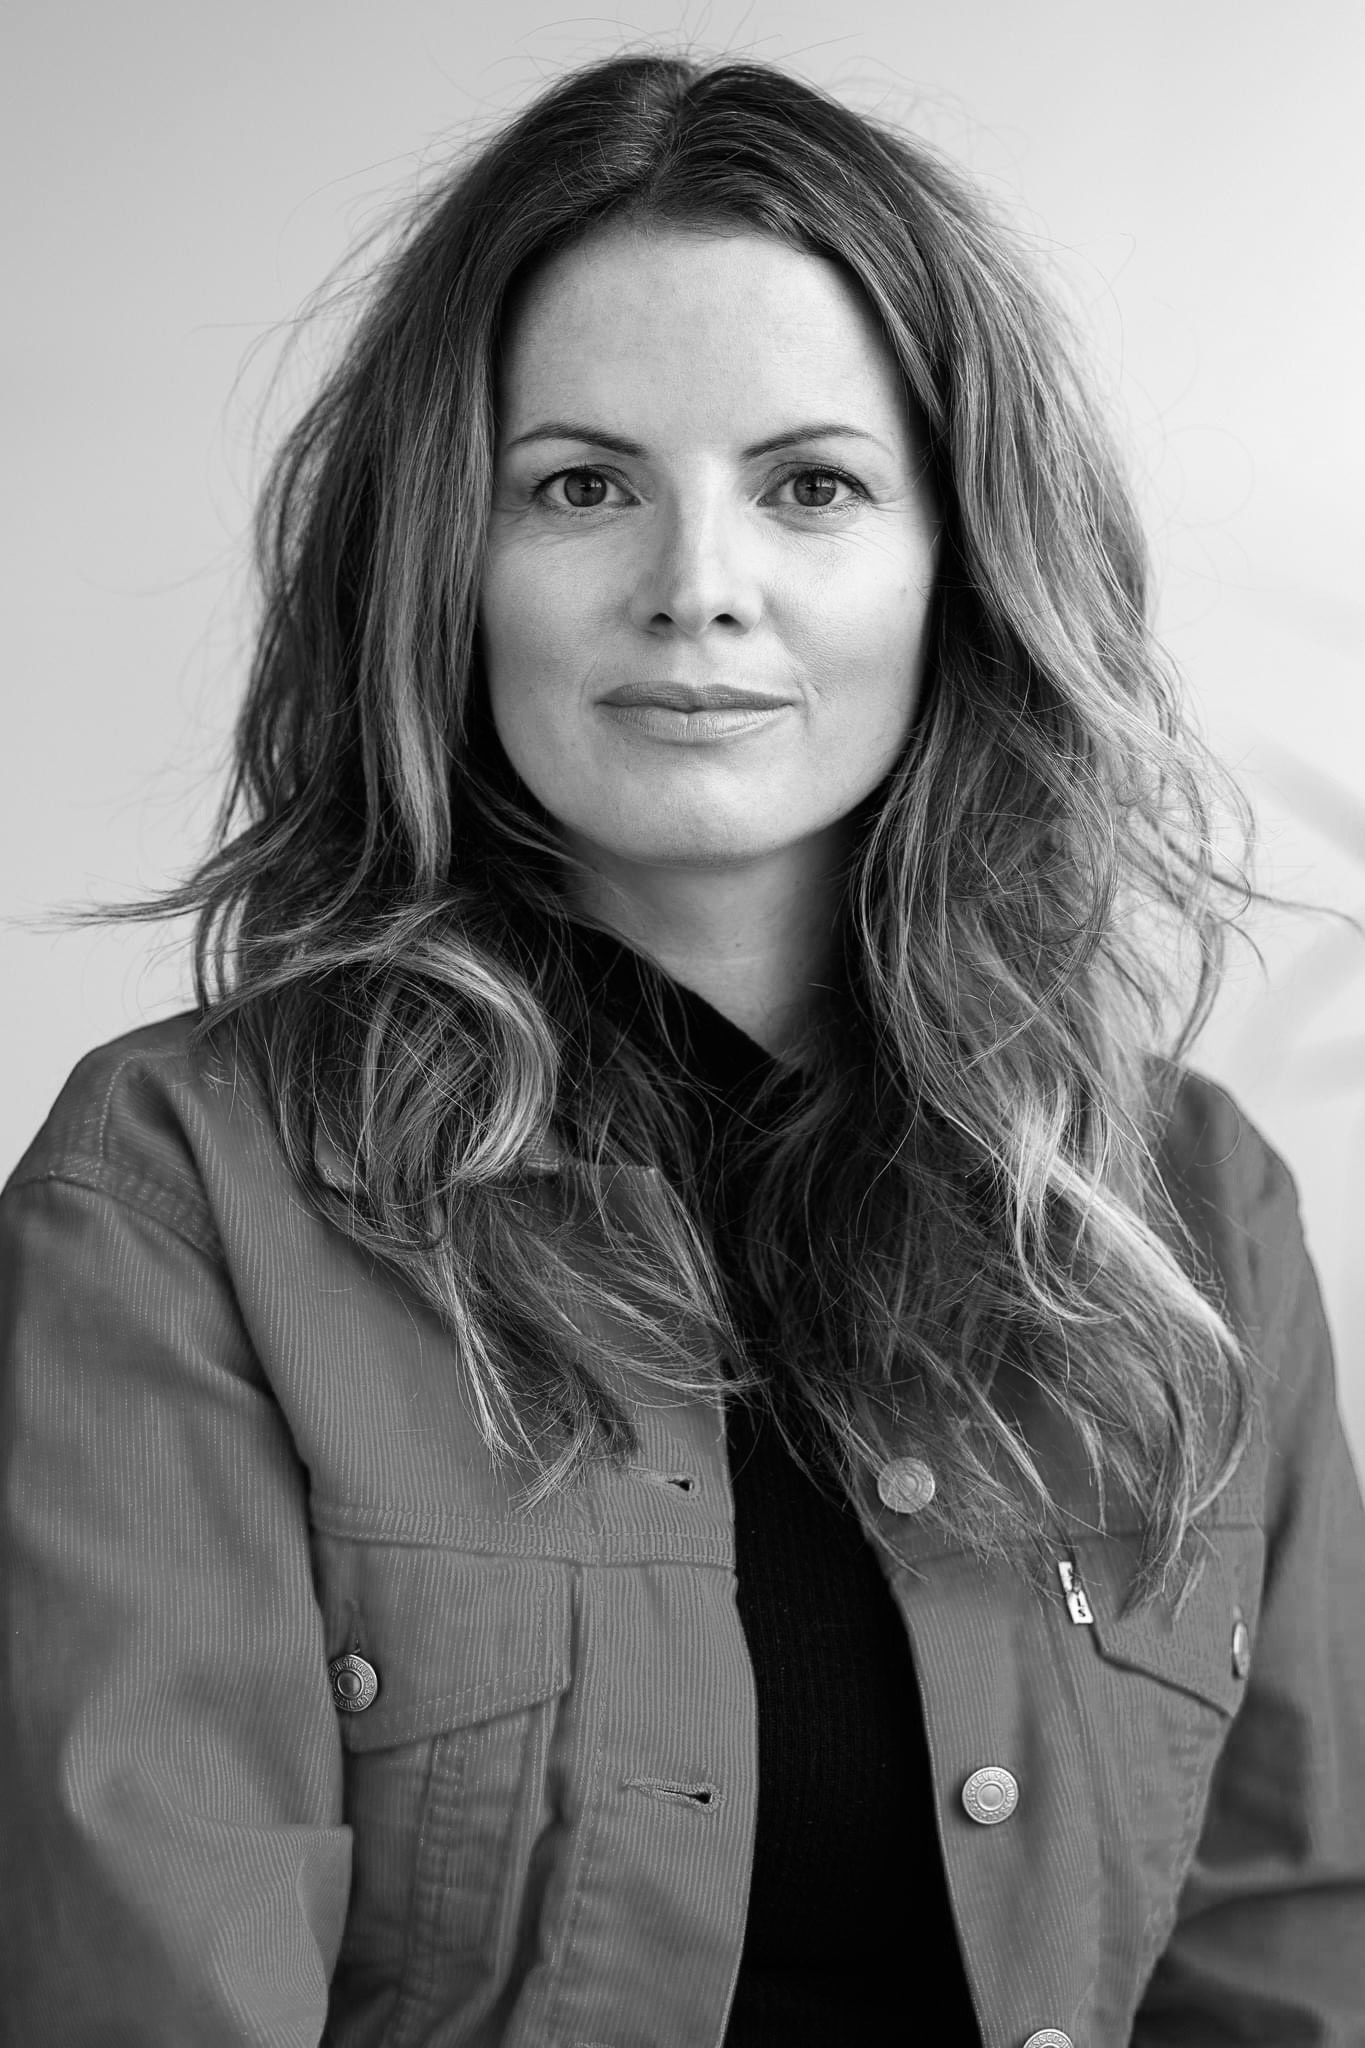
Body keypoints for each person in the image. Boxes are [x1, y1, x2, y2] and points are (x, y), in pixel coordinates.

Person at [1, 48, 1362, 2048]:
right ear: (440, 563)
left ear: (957, 560)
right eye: (579, 485)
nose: (696, 590)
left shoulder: (1189, 1210)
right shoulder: (177, 1196)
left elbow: (1292, 1960)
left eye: (811, 485)